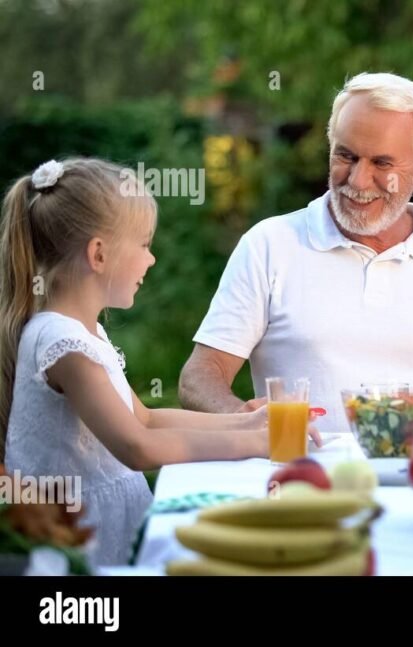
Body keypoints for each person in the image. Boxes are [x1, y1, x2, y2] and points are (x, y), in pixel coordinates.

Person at [178, 72, 413, 436]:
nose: (357, 180)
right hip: (302, 482)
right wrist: (243, 419)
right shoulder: (269, 245)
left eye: (382, 164)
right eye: (346, 155)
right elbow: (198, 378)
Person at [1, 159, 273, 566]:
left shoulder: (82, 331)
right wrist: (252, 444)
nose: (152, 260)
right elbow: (137, 447)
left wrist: (244, 421)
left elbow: (143, 418)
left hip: (103, 524)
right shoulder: (61, 341)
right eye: (144, 244)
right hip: (82, 542)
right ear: (98, 253)